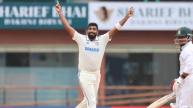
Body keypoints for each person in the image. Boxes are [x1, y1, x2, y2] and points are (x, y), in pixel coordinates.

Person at [55, 3, 134, 108]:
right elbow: (68, 27)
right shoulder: (81, 39)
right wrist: (60, 13)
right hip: (84, 75)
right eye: (90, 29)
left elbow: (116, 27)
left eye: (94, 29)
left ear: (97, 32)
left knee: (86, 100)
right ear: (87, 31)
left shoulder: (103, 39)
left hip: (96, 75)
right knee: (92, 102)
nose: (92, 30)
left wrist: (127, 17)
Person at [170, 27, 193, 108]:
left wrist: (179, 80)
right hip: (187, 81)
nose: (179, 39)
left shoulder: (189, 49)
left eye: (181, 37)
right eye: (178, 37)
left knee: (184, 105)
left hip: (189, 82)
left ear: (189, 37)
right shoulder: (186, 49)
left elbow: (190, 67)